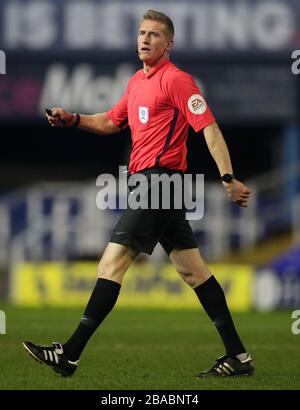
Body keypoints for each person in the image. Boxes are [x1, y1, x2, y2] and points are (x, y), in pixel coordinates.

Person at [23, 9, 253, 378]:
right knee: (193, 272)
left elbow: (209, 128)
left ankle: (68, 355)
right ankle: (238, 357)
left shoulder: (177, 81)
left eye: (154, 34)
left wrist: (228, 177)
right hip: (156, 186)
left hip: (158, 184)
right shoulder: (136, 82)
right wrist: (74, 119)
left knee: (110, 265)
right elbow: (112, 121)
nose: (145, 39)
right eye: (142, 33)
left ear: (169, 44)